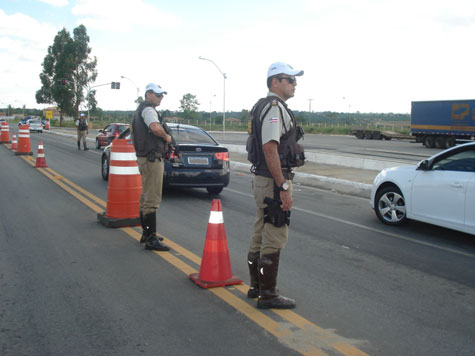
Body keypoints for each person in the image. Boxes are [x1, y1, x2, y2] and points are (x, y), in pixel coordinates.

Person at [246, 62, 305, 309]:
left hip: (263, 179)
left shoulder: (265, 106)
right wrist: (283, 187)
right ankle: (268, 294)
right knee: (275, 233)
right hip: (273, 180)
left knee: (261, 232)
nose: (295, 84)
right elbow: (270, 147)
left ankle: (256, 287)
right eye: (289, 79)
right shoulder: (273, 108)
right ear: (275, 82)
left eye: (294, 80)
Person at [131, 83, 172, 251]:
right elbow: (155, 128)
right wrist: (167, 137)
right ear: (148, 94)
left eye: (162, 95)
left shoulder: (142, 109)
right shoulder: (148, 110)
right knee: (152, 199)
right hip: (152, 158)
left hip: (145, 158)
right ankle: (150, 238)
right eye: (157, 94)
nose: (160, 97)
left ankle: (146, 233)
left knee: (146, 196)